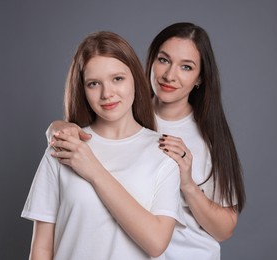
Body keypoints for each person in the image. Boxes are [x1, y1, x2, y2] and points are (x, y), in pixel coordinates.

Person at [47, 22, 246, 260]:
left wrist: (188, 184)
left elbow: (225, 229)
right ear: (149, 61)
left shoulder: (208, 137)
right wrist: (57, 128)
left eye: (186, 67)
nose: (170, 75)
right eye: (163, 60)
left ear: (200, 78)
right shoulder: (120, 110)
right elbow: (84, 135)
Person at [22, 31, 185, 260]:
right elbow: (41, 249)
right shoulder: (63, 147)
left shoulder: (163, 153)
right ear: (83, 89)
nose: (107, 93)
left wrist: (94, 171)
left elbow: (156, 243)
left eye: (117, 79)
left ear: (135, 79)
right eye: (94, 83)